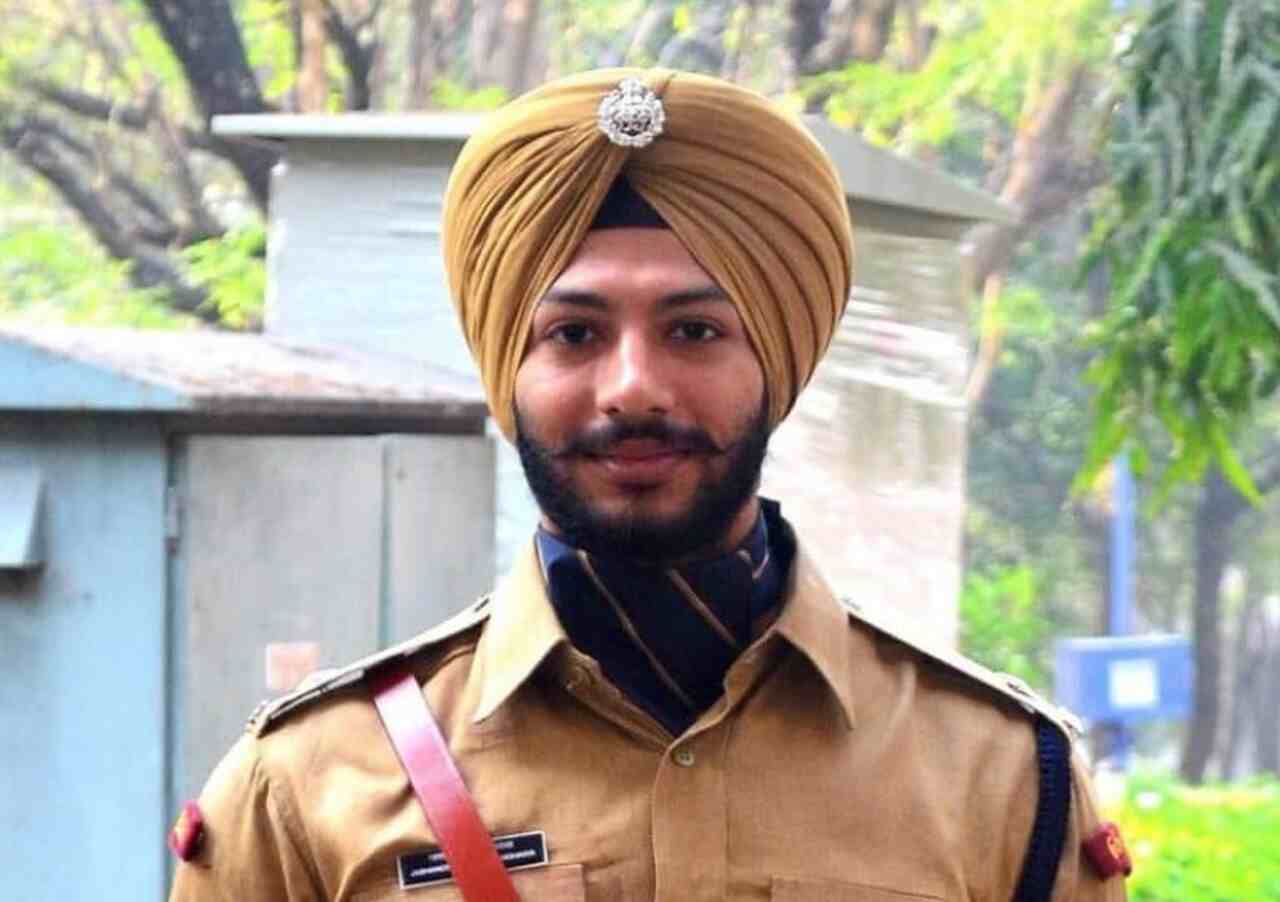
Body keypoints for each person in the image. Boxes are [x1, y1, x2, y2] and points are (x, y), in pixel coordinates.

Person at [168, 68, 1129, 902]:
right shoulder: (303, 786)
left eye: (695, 331)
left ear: (778, 366)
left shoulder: (1002, 774)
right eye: (574, 334)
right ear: (508, 376)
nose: (633, 387)